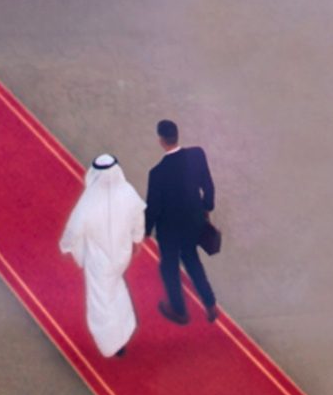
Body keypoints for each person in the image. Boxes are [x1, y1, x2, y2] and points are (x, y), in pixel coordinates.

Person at [59, 153, 147, 358]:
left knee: (101, 302)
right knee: (116, 288)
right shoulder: (127, 192)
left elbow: (74, 229)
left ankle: (113, 343)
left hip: (100, 263)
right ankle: (126, 327)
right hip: (122, 256)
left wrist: (65, 246)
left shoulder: (89, 201)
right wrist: (137, 239)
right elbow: (138, 218)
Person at [145, 119, 218, 325]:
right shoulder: (197, 155)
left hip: (169, 231)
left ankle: (179, 310)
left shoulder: (157, 173)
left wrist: (145, 231)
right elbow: (208, 185)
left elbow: (153, 207)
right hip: (194, 222)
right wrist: (207, 207)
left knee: (168, 267)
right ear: (177, 135)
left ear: (161, 140)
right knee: (192, 260)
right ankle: (210, 304)